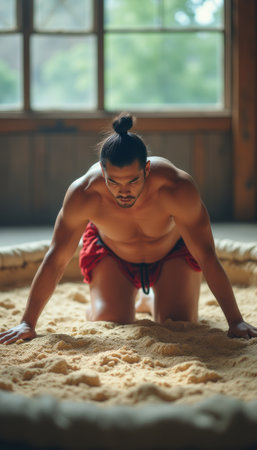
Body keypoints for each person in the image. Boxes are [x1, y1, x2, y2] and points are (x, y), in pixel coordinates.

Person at [0, 113, 257, 345]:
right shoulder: (83, 193)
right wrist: (27, 322)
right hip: (112, 254)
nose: (124, 191)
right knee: (109, 320)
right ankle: (114, 300)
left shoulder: (176, 187)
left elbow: (206, 255)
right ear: (103, 171)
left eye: (133, 181)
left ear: (146, 169)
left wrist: (235, 321)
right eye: (114, 182)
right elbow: (56, 258)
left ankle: (150, 299)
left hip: (172, 253)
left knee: (178, 322)